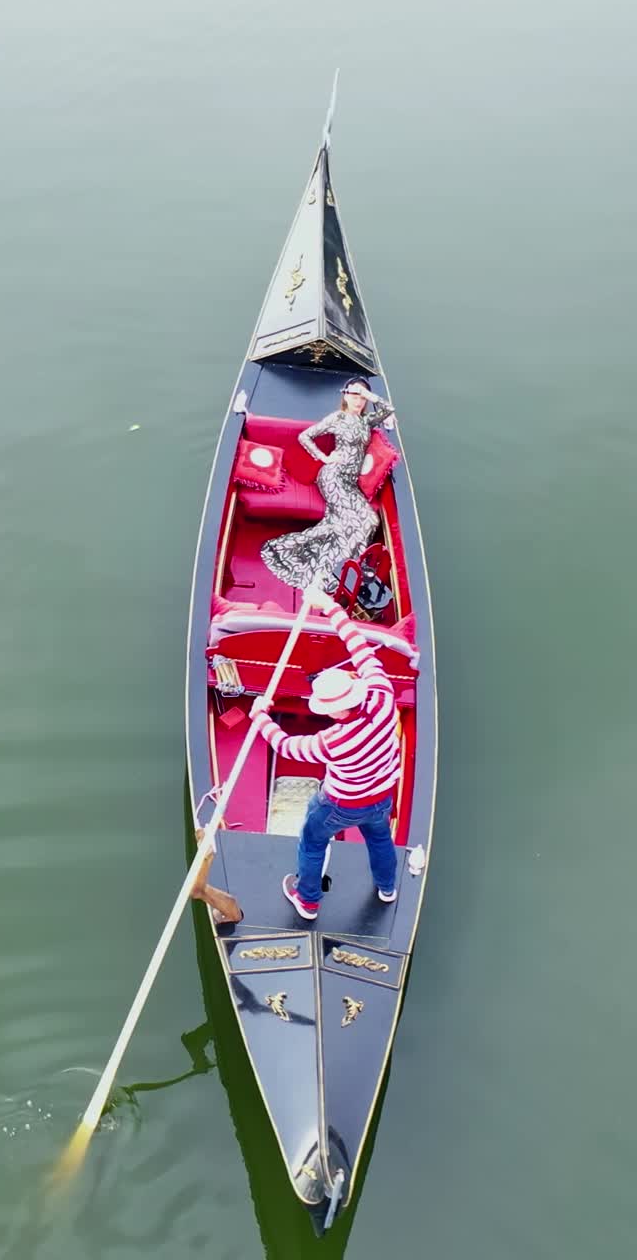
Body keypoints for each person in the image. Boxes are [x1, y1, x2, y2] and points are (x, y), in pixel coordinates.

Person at [250, 582, 401, 921]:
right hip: (381, 796)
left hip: (341, 805)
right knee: (380, 840)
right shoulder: (382, 693)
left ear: (334, 711)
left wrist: (260, 714)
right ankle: (387, 887)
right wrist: (329, 606)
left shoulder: (332, 741)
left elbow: (285, 745)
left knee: (313, 841)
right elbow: (360, 646)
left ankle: (308, 901)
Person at [261, 377, 395, 591]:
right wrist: (324, 458)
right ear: (345, 395)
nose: (358, 400)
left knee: (370, 520)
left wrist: (368, 394)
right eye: (353, 394)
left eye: (362, 396)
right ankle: (334, 571)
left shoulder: (366, 421)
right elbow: (305, 436)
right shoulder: (337, 418)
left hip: (350, 484)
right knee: (352, 522)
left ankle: (345, 568)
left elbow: (388, 408)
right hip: (332, 477)